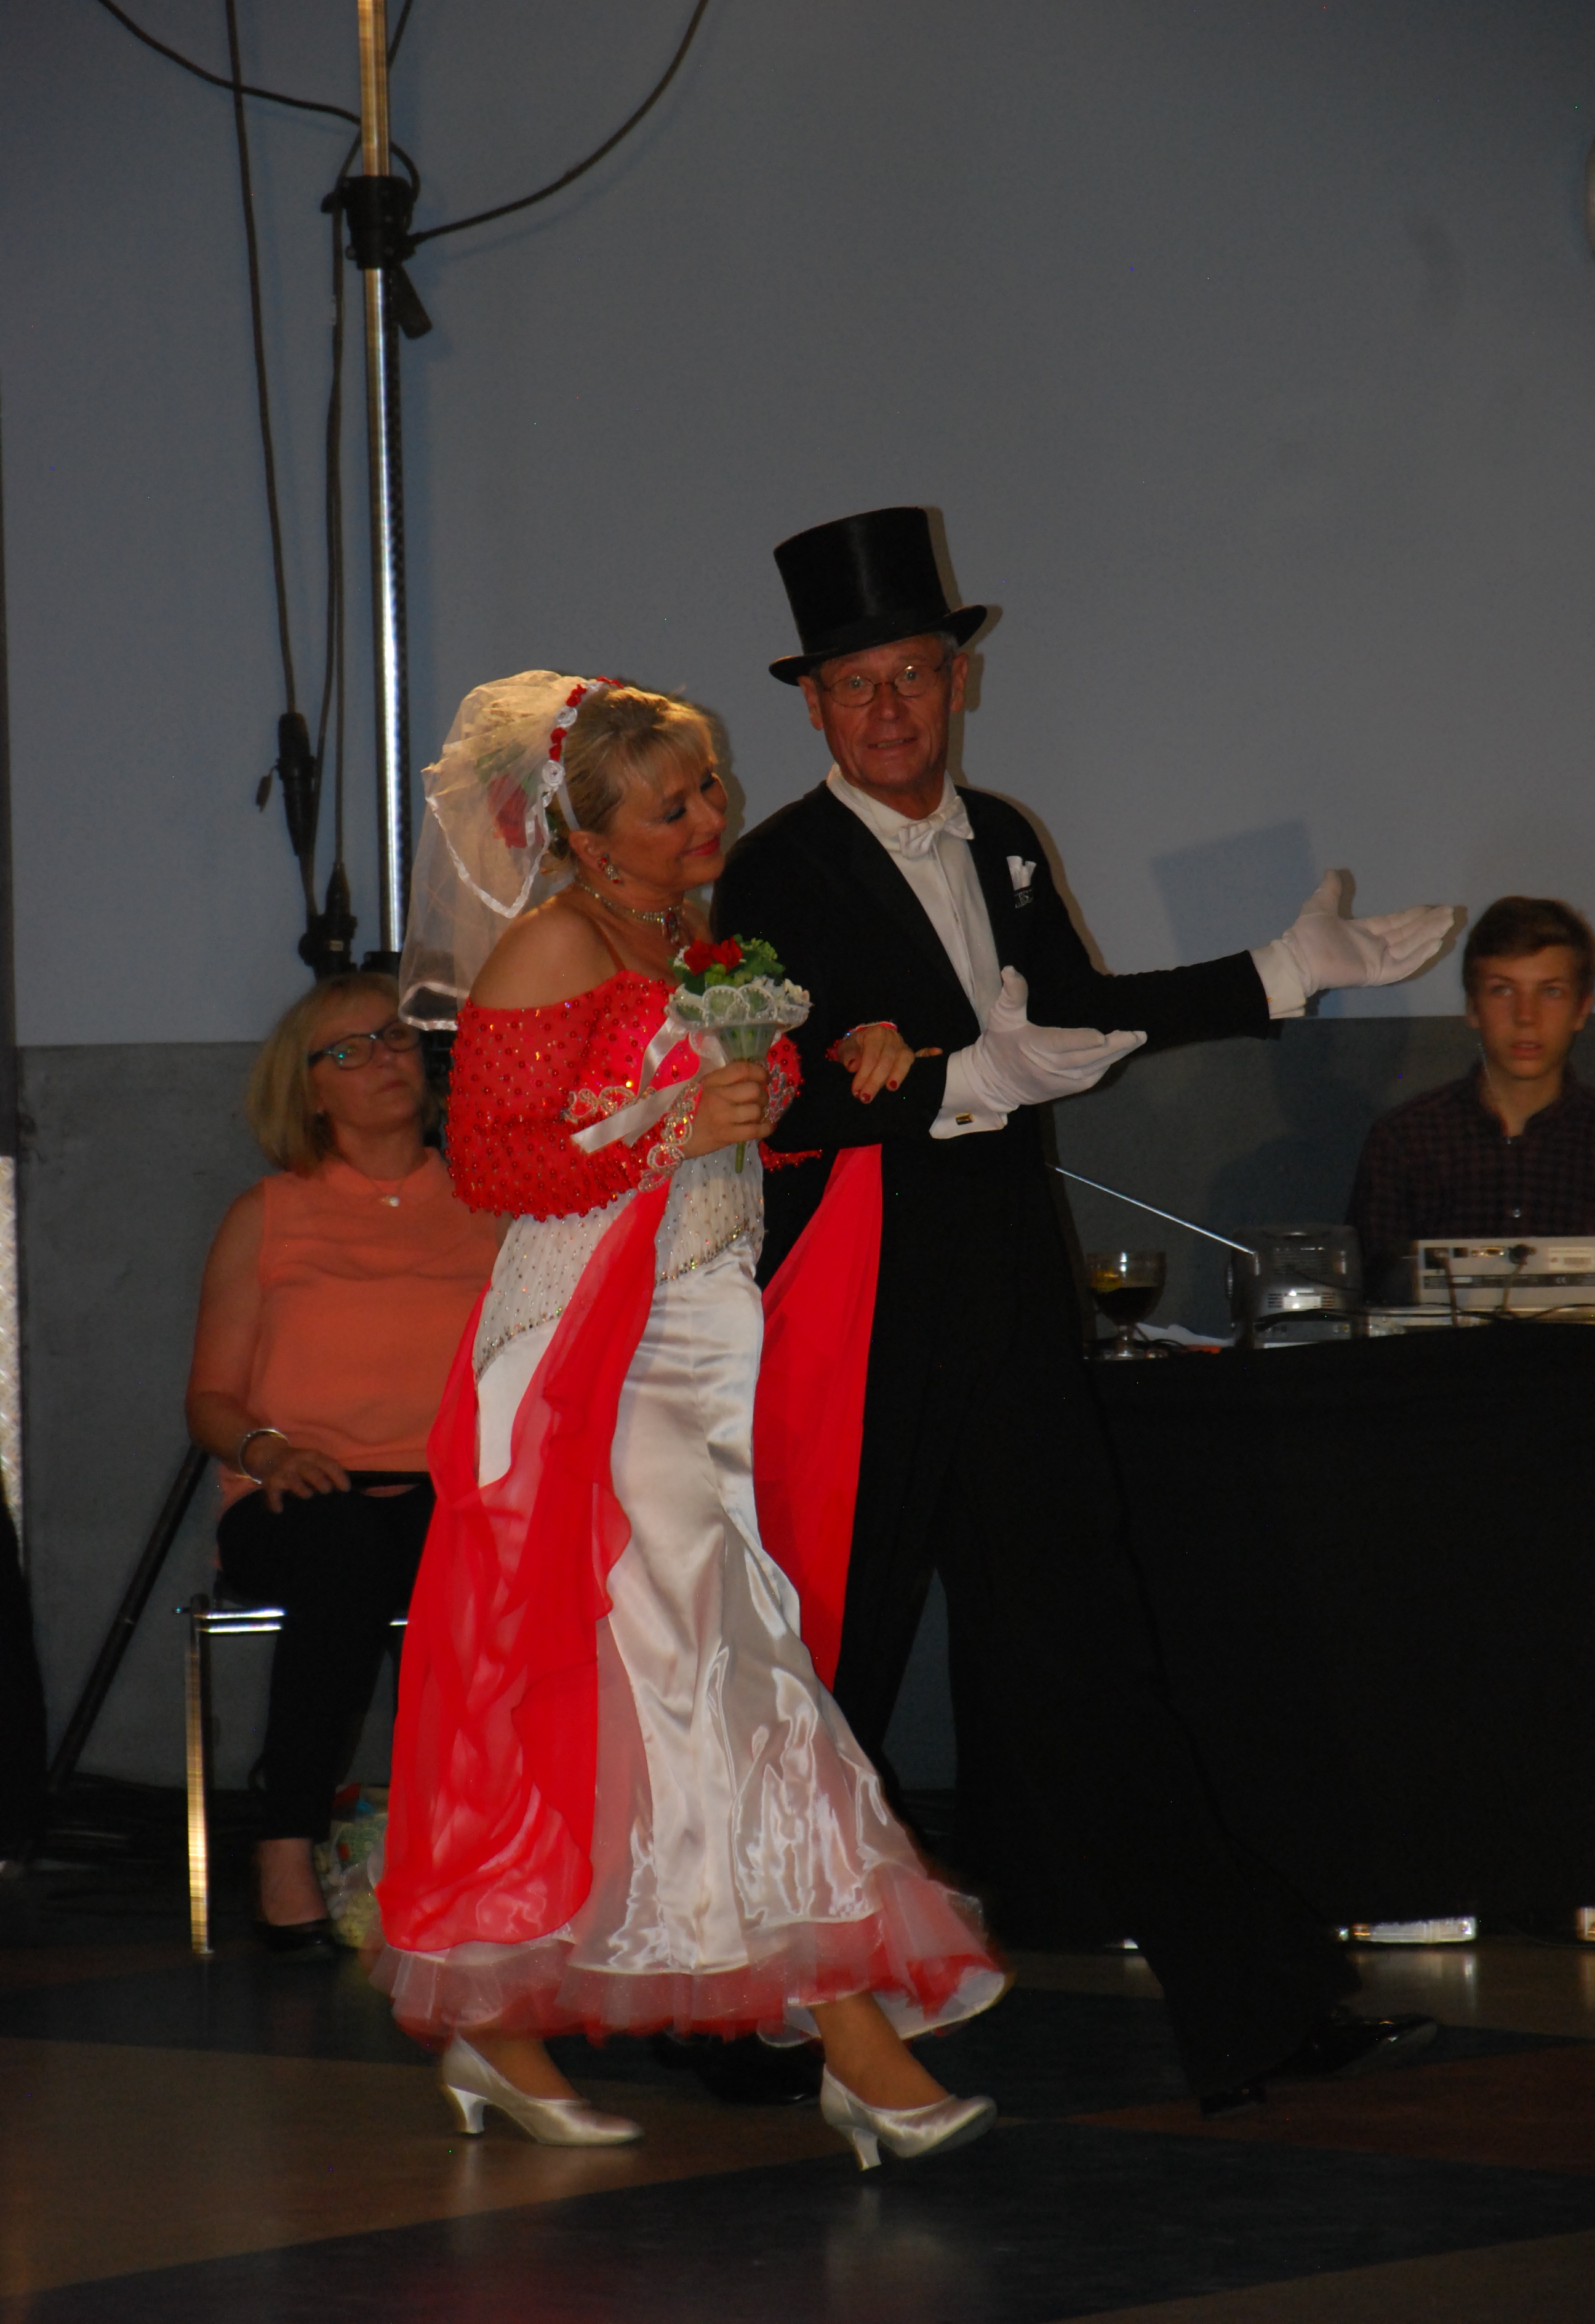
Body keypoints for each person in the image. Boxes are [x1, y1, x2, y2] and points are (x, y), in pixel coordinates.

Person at [713, 505, 1455, 2111]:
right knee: (826, 1665)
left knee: (1088, 1649)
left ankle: (1254, 2007)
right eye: (857, 684)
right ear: (815, 705)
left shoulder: (1001, 836)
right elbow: (762, 1098)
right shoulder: (772, 871)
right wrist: (950, 1086)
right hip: (855, 1315)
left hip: (1005, 1293)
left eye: (915, 674)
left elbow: (1079, 1015)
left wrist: (1276, 975)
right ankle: (737, 2013)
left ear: (958, 680)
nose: (891, 708)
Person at [372, 672, 1004, 2170]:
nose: (713, 815)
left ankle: (491, 2013)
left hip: (704, 1326)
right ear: (590, 836)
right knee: (723, 1662)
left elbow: (726, 1136)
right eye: (675, 804)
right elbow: (497, 1165)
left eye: (710, 785)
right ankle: (851, 2033)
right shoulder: (552, 945)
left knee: (664, 1679)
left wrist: (820, 1078)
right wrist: (673, 1127)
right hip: (594, 1347)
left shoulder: (688, 939)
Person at [186, 972, 502, 1952]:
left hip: (449, 1488)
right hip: (297, 1491)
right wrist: (270, 1453)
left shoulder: (492, 1200)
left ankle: (465, 1846)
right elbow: (211, 1400)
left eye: (397, 1037)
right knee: (343, 1547)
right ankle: (285, 1844)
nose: (385, 1059)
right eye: (351, 1050)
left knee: (480, 1551)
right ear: (310, 1091)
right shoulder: (269, 1214)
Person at [1348, 895, 1595, 1296]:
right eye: (1502, 990)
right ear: (1472, 1007)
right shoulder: (1406, 1141)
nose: (1526, 1016)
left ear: (1582, 1009)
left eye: (1551, 991)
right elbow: (1371, 1301)